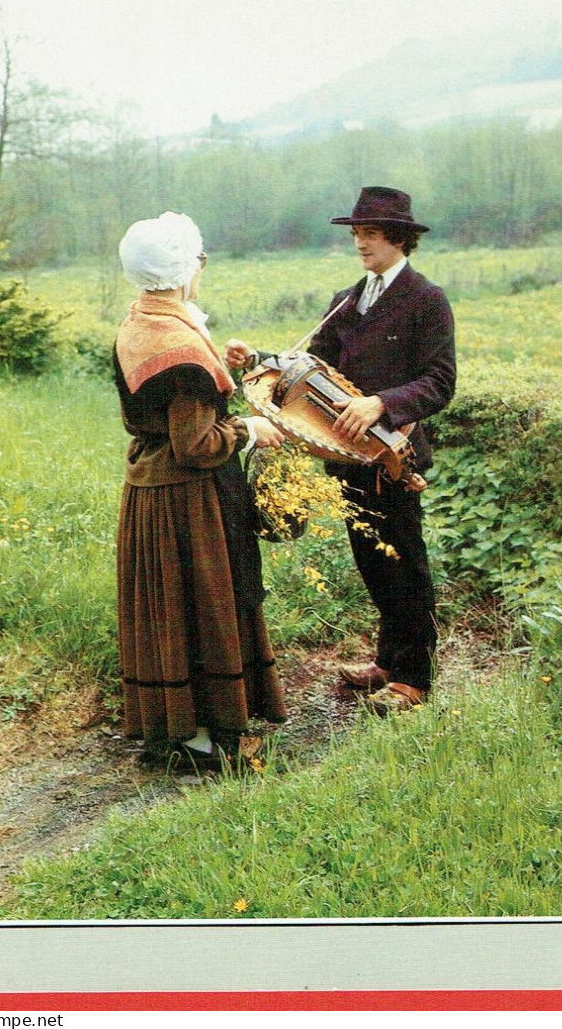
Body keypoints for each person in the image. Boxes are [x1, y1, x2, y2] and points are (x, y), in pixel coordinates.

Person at [225, 186, 455, 713]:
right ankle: (387, 662)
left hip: (394, 456)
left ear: (399, 238)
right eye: (356, 234)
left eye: (369, 234)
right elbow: (312, 365)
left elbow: (441, 382)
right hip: (346, 453)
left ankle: (413, 679)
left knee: (405, 564)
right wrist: (255, 357)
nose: (360, 243)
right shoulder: (348, 300)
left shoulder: (426, 300)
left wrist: (381, 402)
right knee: (373, 561)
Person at [114, 211, 287, 770]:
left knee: (171, 612)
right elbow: (197, 444)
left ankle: (179, 726)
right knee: (202, 610)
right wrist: (248, 429)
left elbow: (166, 409)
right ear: (185, 266)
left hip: (151, 490)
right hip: (185, 499)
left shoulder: (142, 318)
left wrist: (227, 364)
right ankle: (201, 741)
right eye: (198, 260)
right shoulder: (181, 352)